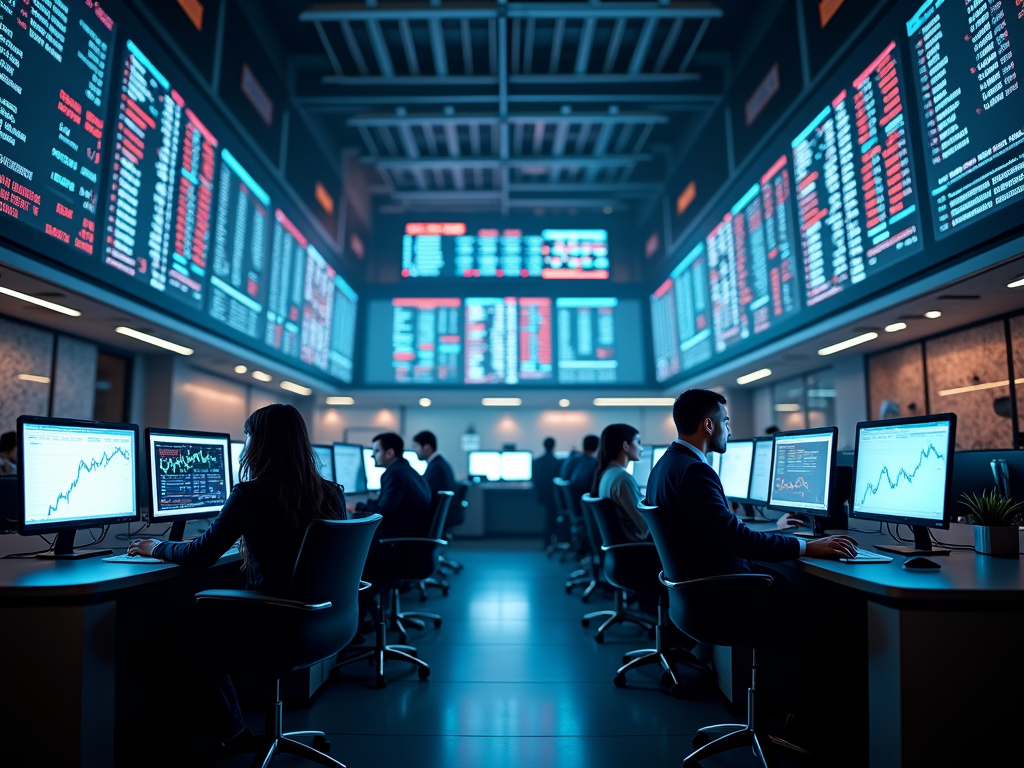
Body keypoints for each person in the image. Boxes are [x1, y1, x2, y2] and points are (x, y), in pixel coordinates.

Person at [127, 403, 348, 752]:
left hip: (274, 621)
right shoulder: (331, 492)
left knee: (168, 641)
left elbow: (199, 556)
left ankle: (226, 732)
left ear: (258, 444)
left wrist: (155, 546)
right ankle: (228, 727)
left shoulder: (251, 493)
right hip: (324, 624)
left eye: (247, 437)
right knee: (199, 629)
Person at [645, 389, 858, 580]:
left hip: (695, 585)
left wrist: (775, 529)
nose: (728, 432)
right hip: (719, 587)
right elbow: (738, 540)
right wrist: (807, 547)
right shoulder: (694, 471)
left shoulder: (665, 465)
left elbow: (719, 530)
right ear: (709, 425)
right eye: (725, 423)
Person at [350, 432, 432, 539]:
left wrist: (357, 507)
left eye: (377, 451)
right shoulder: (407, 471)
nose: (372, 455)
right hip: (412, 534)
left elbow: (383, 515)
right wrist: (365, 504)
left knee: (349, 537)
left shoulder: (395, 474)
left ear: (389, 453)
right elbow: (385, 506)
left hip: (398, 540)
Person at [592, 424, 649, 542]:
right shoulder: (623, 479)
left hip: (623, 547)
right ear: (625, 446)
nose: (641, 448)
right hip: (638, 548)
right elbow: (646, 525)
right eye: (638, 442)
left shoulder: (607, 474)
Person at [533, 437, 562, 547]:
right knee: (552, 518)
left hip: (543, 495)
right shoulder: (558, 463)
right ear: (554, 446)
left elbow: (535, 480)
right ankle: (553, 540)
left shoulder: (537, 462)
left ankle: (547, 542)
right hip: (555, 496)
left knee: (549, 518)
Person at [412, 430, 457, 498]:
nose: (414, 450)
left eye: (416, 447)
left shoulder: (437, 467)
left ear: (427, 447)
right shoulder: (440, 463)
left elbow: (426, 493)